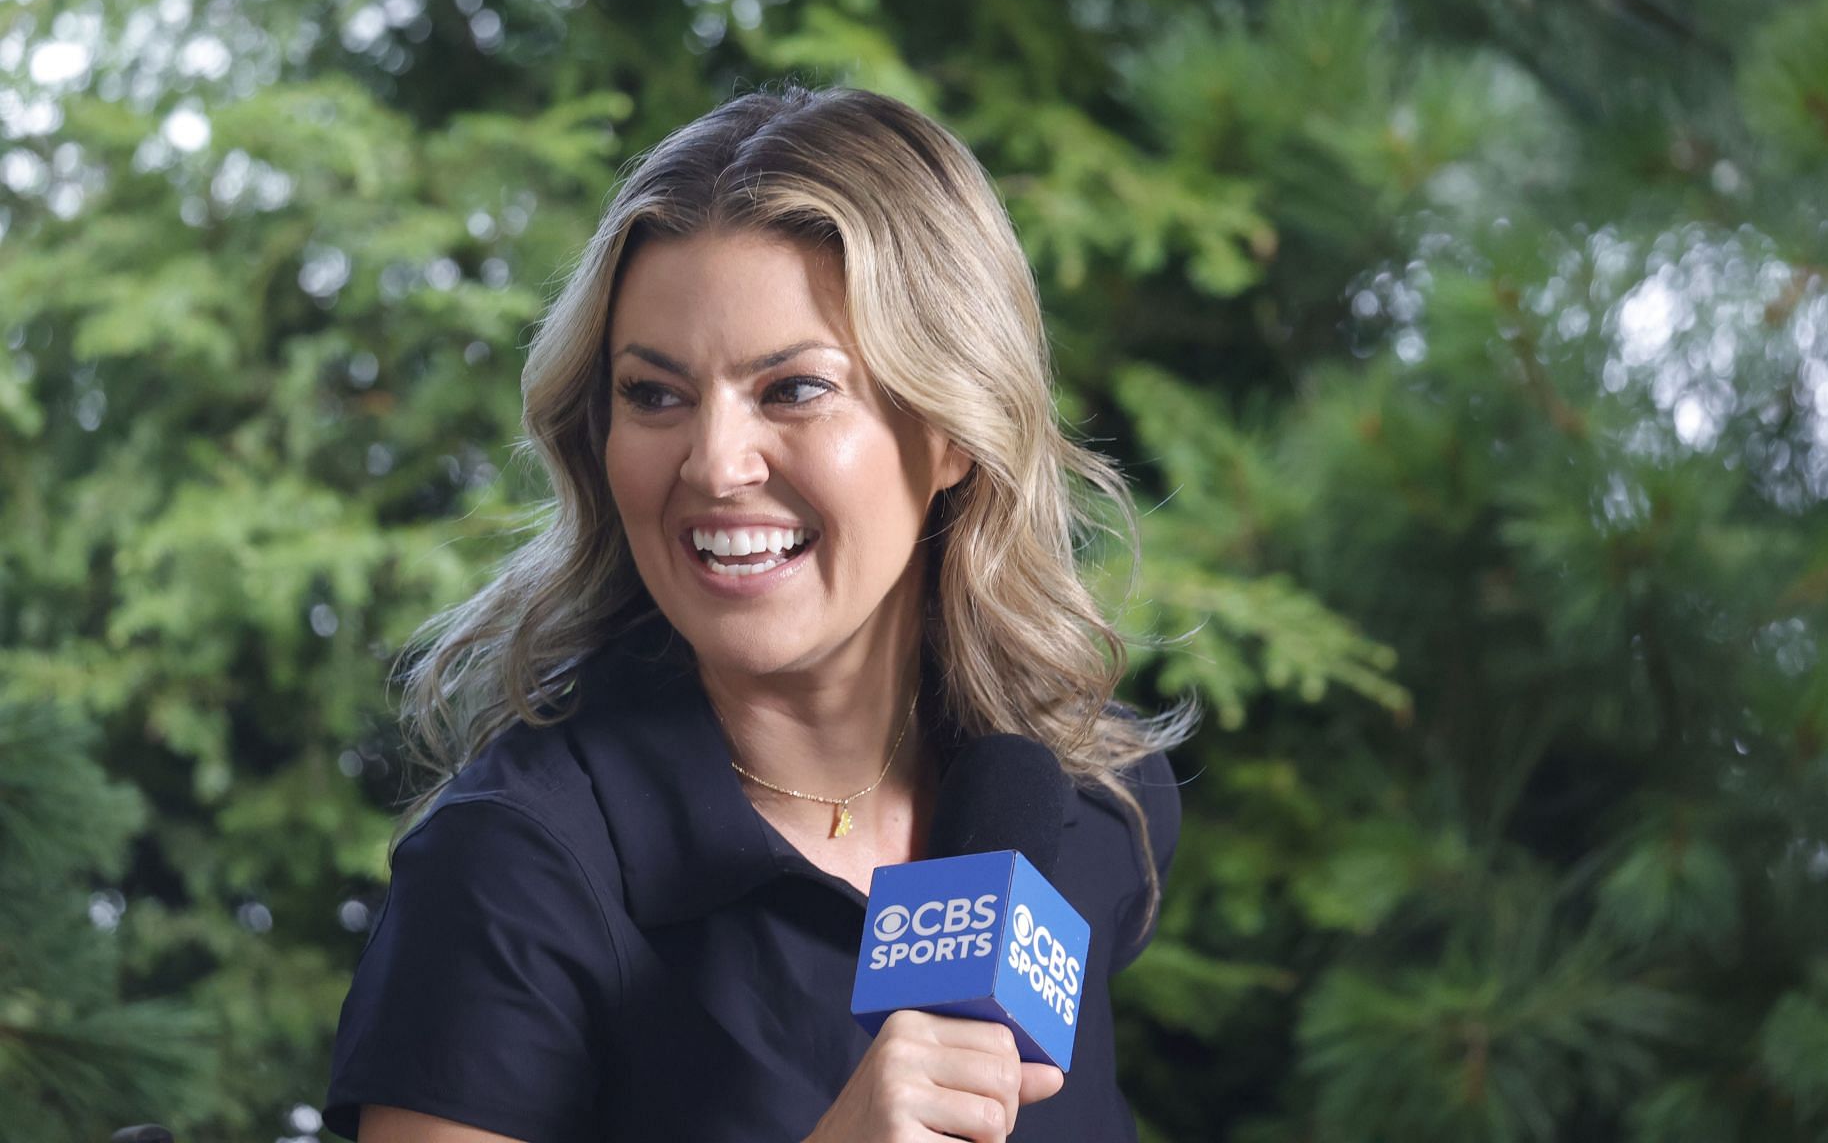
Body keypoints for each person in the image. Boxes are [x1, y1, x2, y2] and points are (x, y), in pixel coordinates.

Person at [322, 82, 1196, 1143]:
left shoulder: (1083, 805)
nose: (714, 462)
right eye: (654, 393)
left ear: (956, 427)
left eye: (792, 389)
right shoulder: (512, 867)